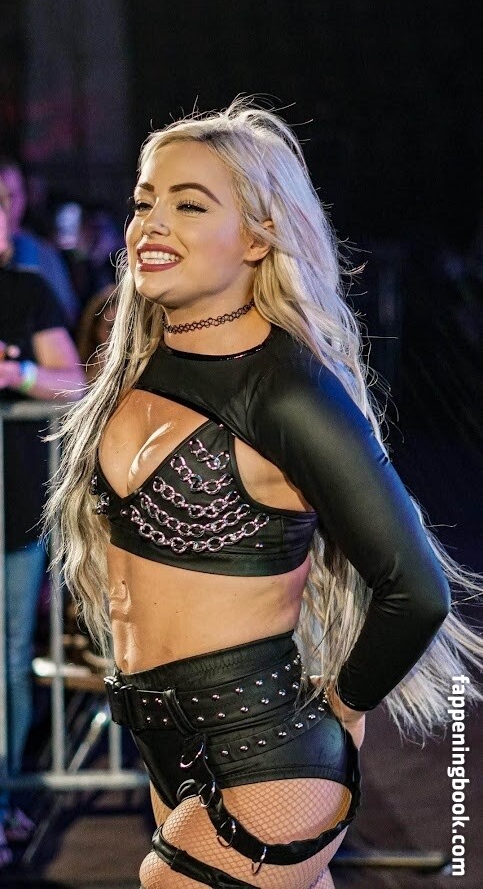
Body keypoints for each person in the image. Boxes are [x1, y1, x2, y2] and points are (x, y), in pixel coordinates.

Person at [43, 100, 482, 889]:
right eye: (144, 201)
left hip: (269, 750)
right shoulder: (138, 367)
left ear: (256, 236)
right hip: (162, 740)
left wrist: (344, 706)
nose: (151, 224)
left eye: (189, 204)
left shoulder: (289, 390)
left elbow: (415, 586)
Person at [0, 175, 85, 867]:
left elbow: (74, 382)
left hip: (11, 504)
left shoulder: (26, 290)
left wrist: (18, 373)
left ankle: (1, 804)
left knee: (7, 660)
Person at [0, 157, 80, 330]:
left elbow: (66, 314)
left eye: (13, 195)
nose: (7, 206)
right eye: (0, 198)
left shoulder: (43, 254)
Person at [76, 283, 118, 383]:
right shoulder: (74, 366)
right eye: (112, 328)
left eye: (129, 328)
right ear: (95, 329)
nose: (121, 337)